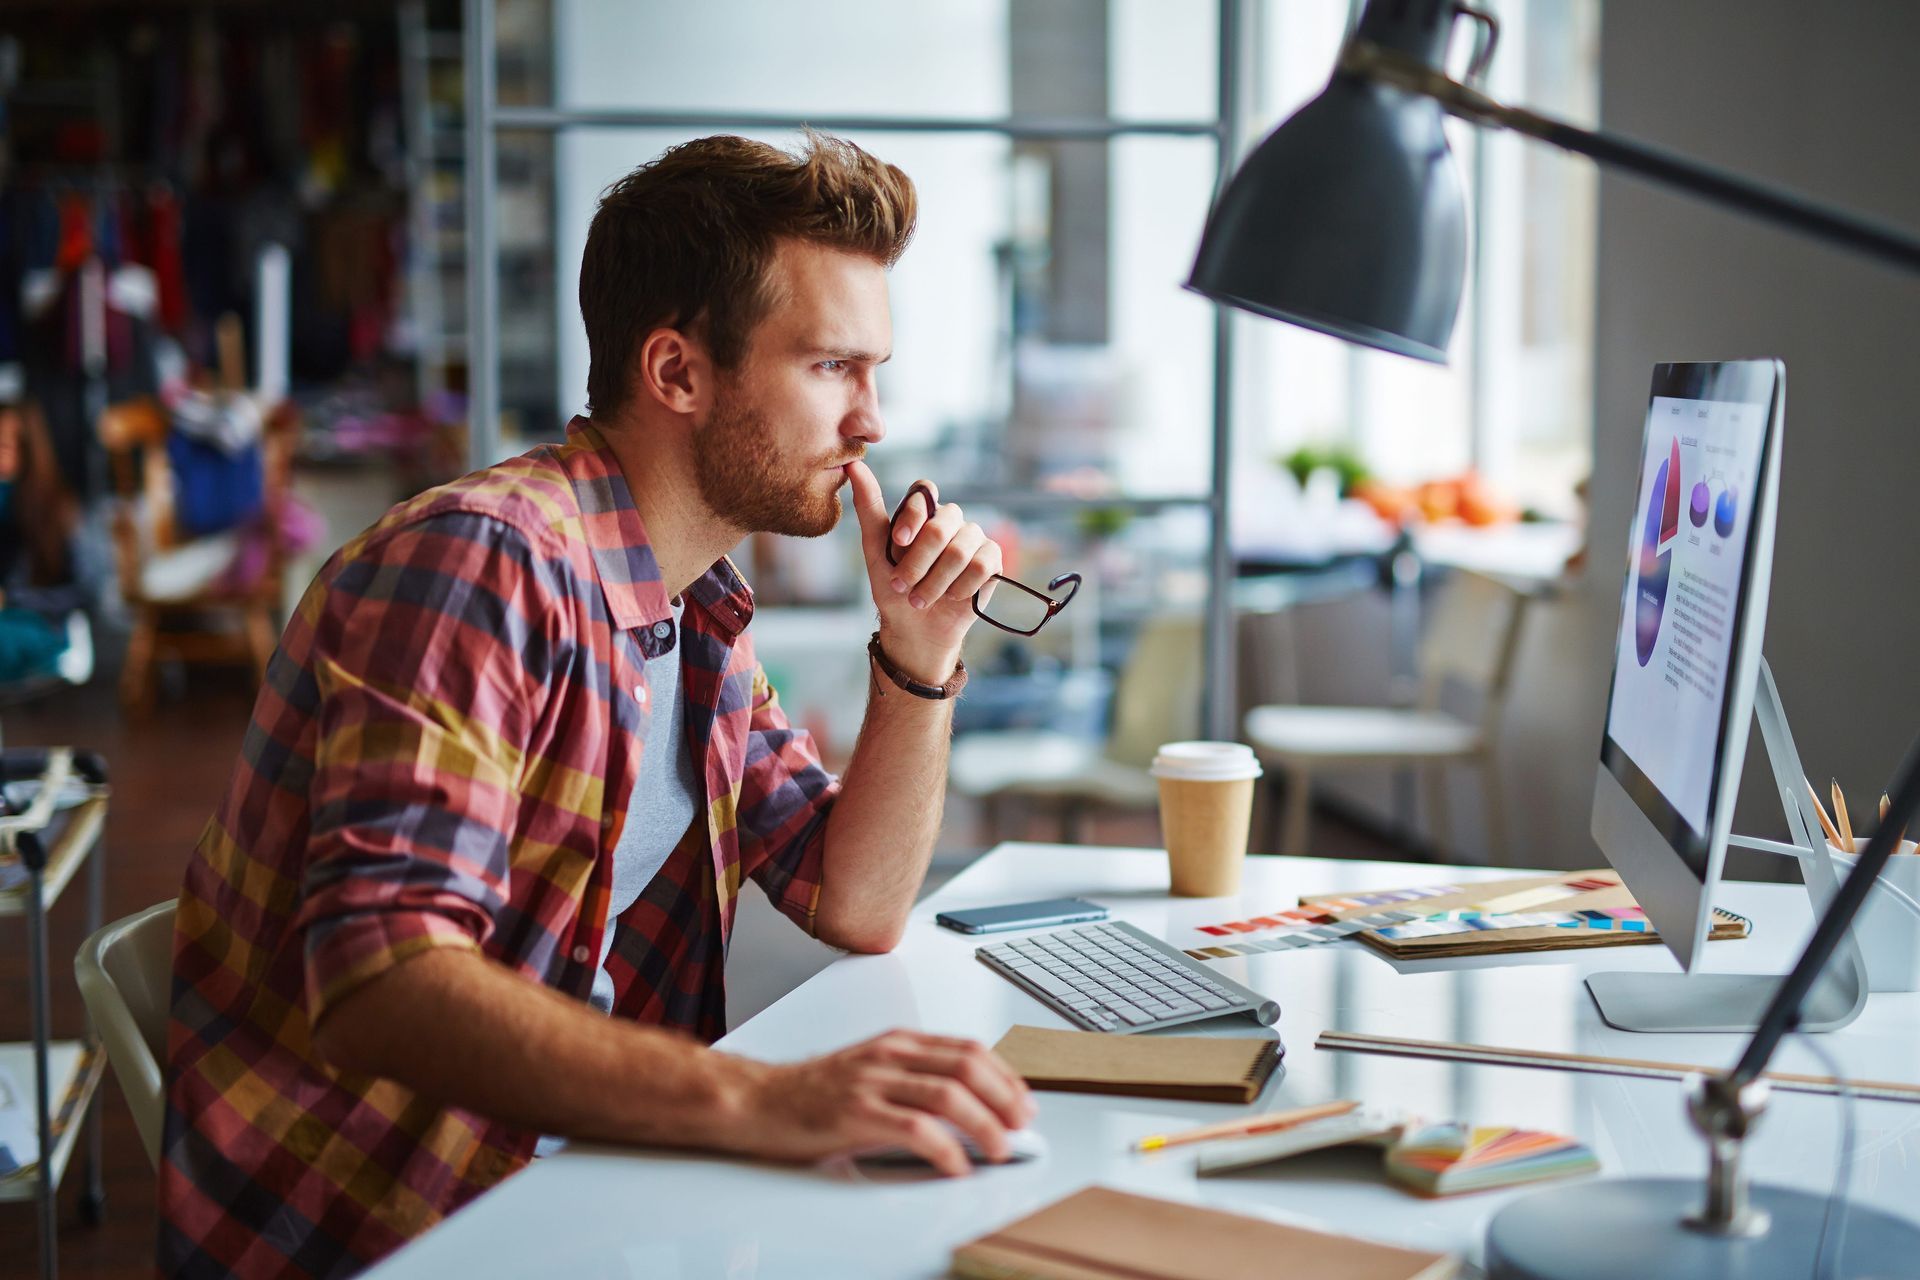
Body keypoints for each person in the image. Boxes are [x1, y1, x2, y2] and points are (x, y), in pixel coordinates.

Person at [158, 133, 1033, 1279]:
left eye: (873, 372)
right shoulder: (481, 565)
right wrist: (763, 1099)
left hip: (579, 1190)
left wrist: (920, 654)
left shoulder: (694, 604)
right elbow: (382, 975)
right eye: (831, 367)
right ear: (676, 371)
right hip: (388, 1228)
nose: (871, 419)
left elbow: (854, 898)